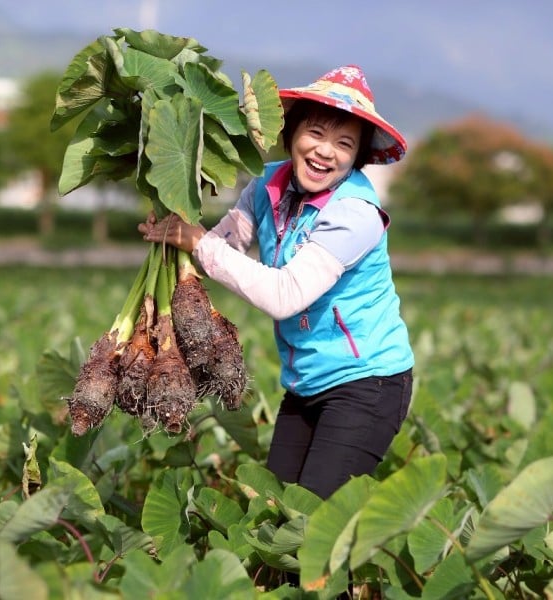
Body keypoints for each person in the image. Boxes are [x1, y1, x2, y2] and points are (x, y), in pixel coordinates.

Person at [139, 65, 414, 501]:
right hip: (305, 382)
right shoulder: (268, 183)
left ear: (356, 158)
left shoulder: (355, 214)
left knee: (311, 518)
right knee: (276, 510)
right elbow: (223, 246)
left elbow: (285, 296)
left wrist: (198, 243)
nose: (325, 151)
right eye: (315, 133)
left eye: (344, 144)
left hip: (367, 384)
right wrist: (172, 229)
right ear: (293, 133)